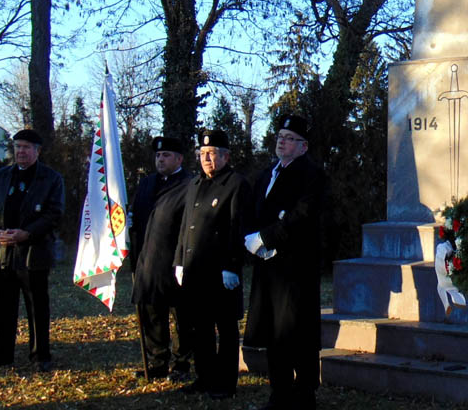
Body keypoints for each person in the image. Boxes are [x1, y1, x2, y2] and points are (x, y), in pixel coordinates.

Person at [243, 115, 327, 410]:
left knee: (299, 332)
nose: (282, 141)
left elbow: (301, 216)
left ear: (303, 146)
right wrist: (253, 237)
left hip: (296, 268)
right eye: (279, 135)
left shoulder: (311, 174)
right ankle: (278, 392)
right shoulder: (267, 174)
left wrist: (267, 236)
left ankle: (304, 395)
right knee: (273, 332)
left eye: (289, 137)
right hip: (269, 267)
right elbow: (256, 210)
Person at [0, 128, 64, 371]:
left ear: (37, 151)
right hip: (2, 254)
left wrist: (28, 233)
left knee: (37, 305)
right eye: (17, 147)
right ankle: (2, 353)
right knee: (3, 306)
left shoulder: (51, 179)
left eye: (26, 147)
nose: (21, 152)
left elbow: (54, 213)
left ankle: (40, 355)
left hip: (34, 253)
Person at [174, 129, 252, 399]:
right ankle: (204, 378)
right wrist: (179, 260)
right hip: (195, 269)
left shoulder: (235, 184)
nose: (207, 158)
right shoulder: (194, 184)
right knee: (201, 328)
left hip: (221, 272)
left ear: (226, 156)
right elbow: (186, 225)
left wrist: (232, 265)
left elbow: (237, 227)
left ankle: (225, 383)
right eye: (203, 153)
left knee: (226, 329)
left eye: (212, 153)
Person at [128, 135, 192, 381]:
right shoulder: (146, 184)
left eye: (166, 155)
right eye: (157, 155)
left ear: (179, 159)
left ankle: (182, 364)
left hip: (174, 259)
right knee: (151, 314)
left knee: (182, 317)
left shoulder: (189, 184)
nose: (160, 159)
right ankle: (156, 362)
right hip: (147, 259)